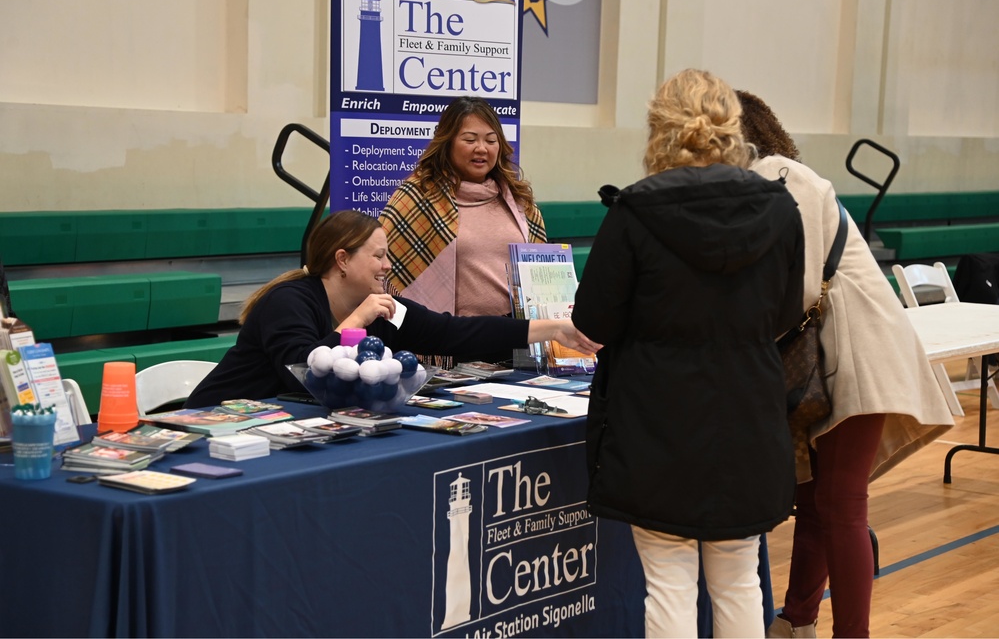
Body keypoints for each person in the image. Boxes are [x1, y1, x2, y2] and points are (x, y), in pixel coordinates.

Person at [571, 69, 805, 638]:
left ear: (659, 129)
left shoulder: (634, 211)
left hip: (655, 420)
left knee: (670, 586)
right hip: (749, 411)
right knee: (739, 580)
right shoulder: (779, 208)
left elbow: (593, 321)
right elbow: (785, 315)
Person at [737, 90, 954, 639]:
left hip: (857, 356)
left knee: (840, 506)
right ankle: (797, 621)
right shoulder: (768, 179)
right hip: (829, 358)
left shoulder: (780, 175)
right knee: (814, 501)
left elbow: (798, 287)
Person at [185, 210, 597, 408]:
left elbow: (452, 334)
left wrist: (552, 329)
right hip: (219, 423)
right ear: (343, 259)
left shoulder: (382, 307)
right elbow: (302, 374)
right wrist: (358, 321)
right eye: (379, 257)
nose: (388, 266)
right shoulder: (288, 301)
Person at [379, 96, 546, 317]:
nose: (481, 148)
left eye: (490, 140)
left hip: (517, 335)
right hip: (451, 338)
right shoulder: (418, 196)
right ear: (447, 143)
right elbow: (380, 264)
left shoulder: (519, 200)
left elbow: (542, 273)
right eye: (470, 140)